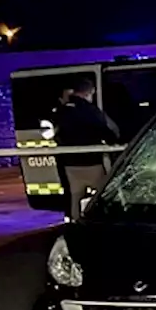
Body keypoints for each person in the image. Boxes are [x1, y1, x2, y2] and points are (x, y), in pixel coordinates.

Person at [55, 77, 120, 218]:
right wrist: (113, 142)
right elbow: (105, 131)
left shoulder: (63, 110)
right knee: (105, 194)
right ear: (89, 92)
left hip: (70, 163)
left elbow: (57, 132)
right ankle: (109, 220)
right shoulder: (90, 111)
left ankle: (75, 223)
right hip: (91, 162)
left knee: (75, 197)